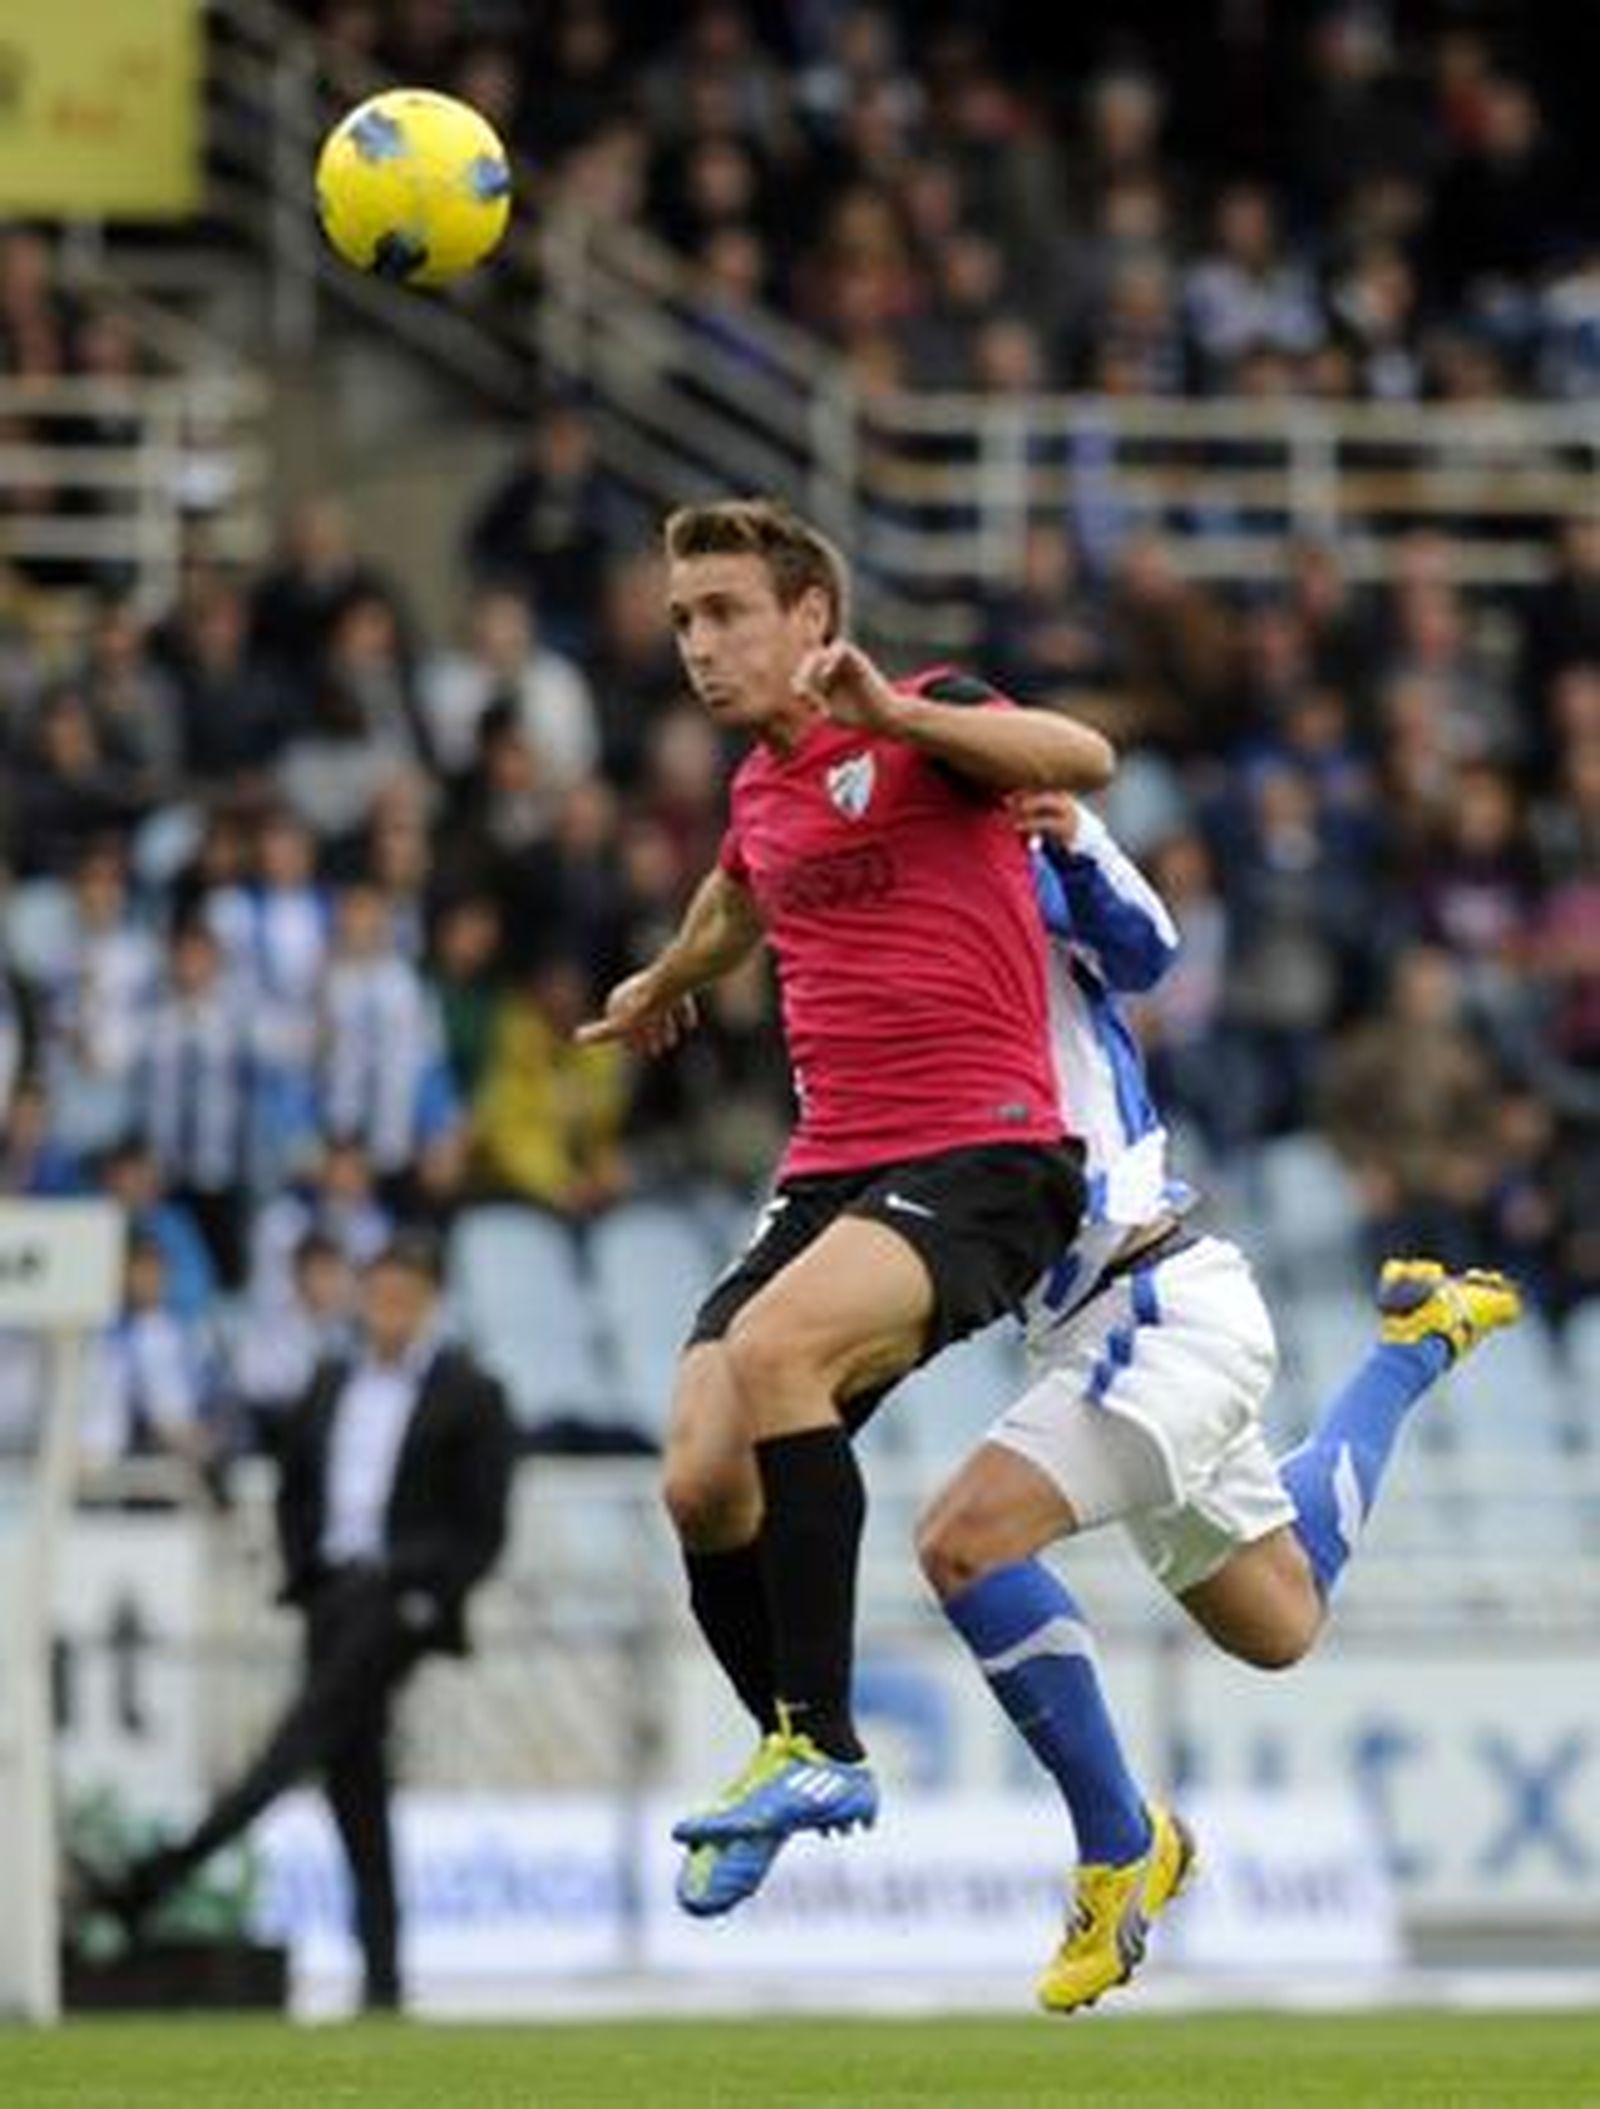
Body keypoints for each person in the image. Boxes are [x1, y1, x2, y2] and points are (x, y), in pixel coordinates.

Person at [576, 497, 1115, 1910]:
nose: (698, 644)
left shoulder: (928, 716)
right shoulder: (758, 790)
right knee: (699, 1469)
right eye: (684, 618)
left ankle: (822, 1741)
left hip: (989, 1157)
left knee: (774, 1357)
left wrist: (908, 717)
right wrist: (664, 980)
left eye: (727, 612)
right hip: (834, 1171)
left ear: (811, 616)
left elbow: (1085, 755)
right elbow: (739, 898)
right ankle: (786, 1745)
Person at [912, 793, 1521, 2013]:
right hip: (1107, 1335)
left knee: (964, 1543)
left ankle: (1117, 1843)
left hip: (1151, 1310)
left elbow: (1150, 949)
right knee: (1279, 1620)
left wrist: (1072, 826)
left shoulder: (1026, 894)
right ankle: (1412, 1346)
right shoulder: (901, 993)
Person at [88, 1232, 515, 2012]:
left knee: (294, 1746)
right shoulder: (330, 1381)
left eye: (401, 1298)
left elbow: (482, 1525)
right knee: (354, 1780)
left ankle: (155, 1878)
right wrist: (305, 1579)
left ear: (427, 1304)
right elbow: (294, 1489)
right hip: (333, 1595)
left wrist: (428, 1597)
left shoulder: (471, 1393)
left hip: (398, 1601)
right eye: (377, 1295)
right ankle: (383, 1978)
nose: (386, 1312)